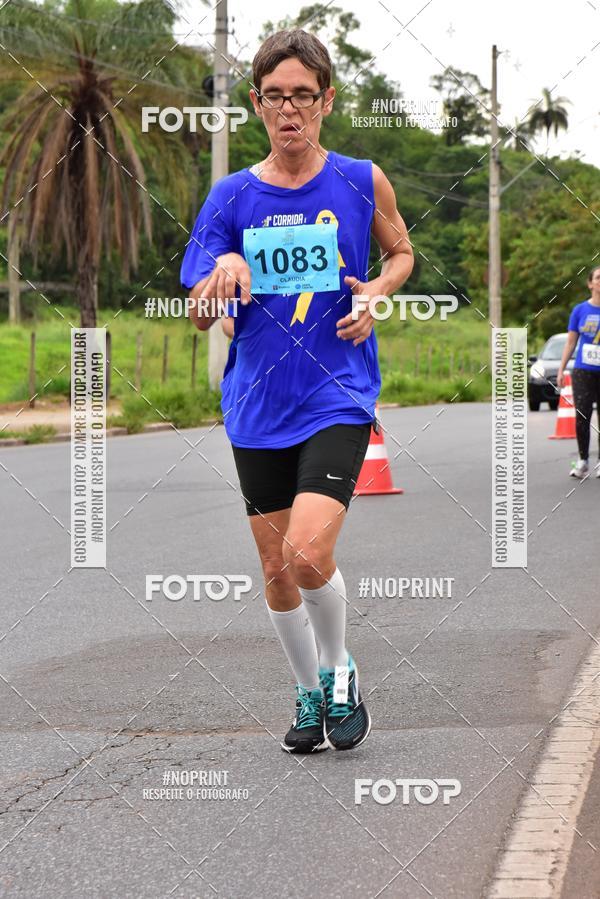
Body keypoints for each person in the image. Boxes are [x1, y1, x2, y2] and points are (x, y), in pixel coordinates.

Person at [180, 29, 414, 753]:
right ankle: (308, 687)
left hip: (338, 390)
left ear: (327, 101)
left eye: (303, 97)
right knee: (277, 568)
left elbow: (401, 251)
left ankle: (340, 667)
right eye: (275, 97)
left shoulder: (359, 179)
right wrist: (216, 282)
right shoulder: (231, 196)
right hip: (256, 403)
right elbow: (197, 307)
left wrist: (376, 291)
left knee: (310, 552)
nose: (290, 111)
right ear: (255, 104)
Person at [557, 265, 600, 478]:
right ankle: (583, 460)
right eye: (598, 278)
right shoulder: (580, 310)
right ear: (590, 283)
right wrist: (561, 368)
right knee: (582, 415)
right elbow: (571, 342)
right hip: (583, 371)